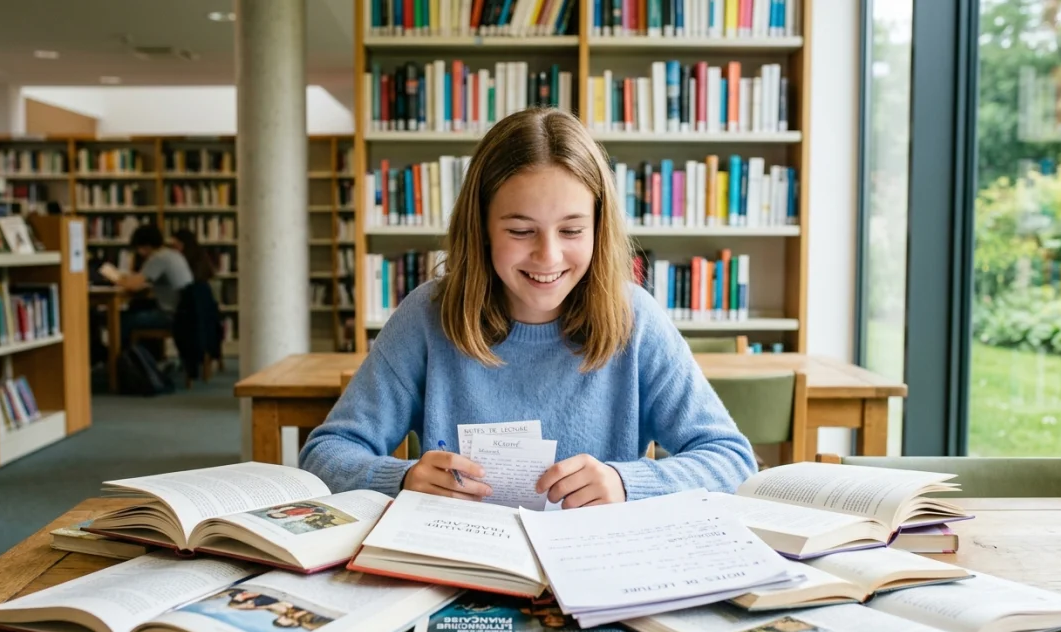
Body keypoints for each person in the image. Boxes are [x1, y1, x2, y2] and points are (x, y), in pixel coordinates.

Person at [300, 107, 755, 508]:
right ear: (481, 229)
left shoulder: (633, 318)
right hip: (461, 564)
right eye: (521, 231)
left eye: (572, 231)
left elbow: (732, 461)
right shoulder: (426, 316)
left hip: (593, 568)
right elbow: (326, 453)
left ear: (599, 229)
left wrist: (626, 482)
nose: (549, 257)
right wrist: (400, 478)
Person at [110, 224, 194, 349]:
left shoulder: (157, 258)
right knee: (137, 307)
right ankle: (145, 357)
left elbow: (133, 286)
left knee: (123, 320)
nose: (138, 253)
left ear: (145, 246)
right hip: (186, 312)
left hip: (172, 316)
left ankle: (119, 361)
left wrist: (114, 277)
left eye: (138, 248)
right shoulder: (172, 254)